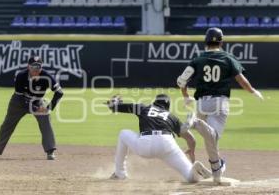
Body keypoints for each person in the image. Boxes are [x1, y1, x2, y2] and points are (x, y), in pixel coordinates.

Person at [176, 27, 264, 183]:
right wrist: (252, 91)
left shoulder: (198, 59)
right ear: (221, 42)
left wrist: (186, 96)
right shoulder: (228, 58)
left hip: (202, 103)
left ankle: (216, 169)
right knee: (213, 135)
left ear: (206, 42)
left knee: (211, 140)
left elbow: (181, 81)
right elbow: (241, 80)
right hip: (219, 102)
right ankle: (196, 123)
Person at [106, 94, 211, 182]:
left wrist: (114, 104)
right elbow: (190, 139)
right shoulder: (171, 117)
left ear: (155, 102)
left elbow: (117, 107)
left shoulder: (144, 108)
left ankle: (120, 173)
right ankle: (193, 172)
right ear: (167, 106)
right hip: (167, 144)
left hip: (145, 145)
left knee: (123, 134)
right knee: (189, 176)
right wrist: (192, 152)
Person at [0, 56, 63, 160]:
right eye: (33, 66)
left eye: (38, 67)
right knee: (7, 125)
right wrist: (35, 108)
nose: (36, 69)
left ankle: (50, 151)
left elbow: (59, 92)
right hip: (19, 102)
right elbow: (20, 98)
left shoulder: (47, 77)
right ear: (28, 66)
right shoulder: (21, 76)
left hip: (37, 101)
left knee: (45, 119)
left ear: (42, 67)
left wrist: (48, 108)